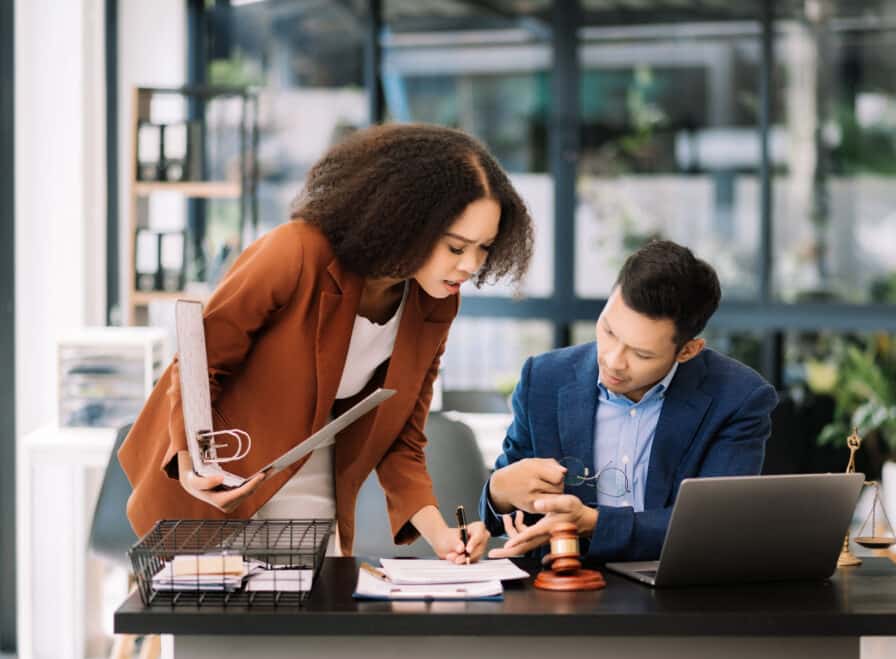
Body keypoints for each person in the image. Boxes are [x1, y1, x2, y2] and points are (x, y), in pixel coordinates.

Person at [119, 123, 534, 563]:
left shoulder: (435, 305)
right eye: (455, 247)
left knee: (304, 618)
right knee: (203, 622)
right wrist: (190, 461)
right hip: (219, 468)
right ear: (405, 221)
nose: (470, 266)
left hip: (312, 471)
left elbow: (401, 438)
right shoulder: (296, 253)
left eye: (484, 248)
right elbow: (201, 359)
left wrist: (441, 535)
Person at [480, 240, 778, 562]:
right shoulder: (544, 379)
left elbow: (716, 526)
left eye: (641, 353)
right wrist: (499, 491)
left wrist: (595, 524)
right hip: (558, 589)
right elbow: (497, 513)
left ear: (688, 350)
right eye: (608, 331)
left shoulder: (738, 399)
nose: (613, 360)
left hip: (674, 595)